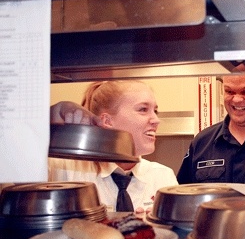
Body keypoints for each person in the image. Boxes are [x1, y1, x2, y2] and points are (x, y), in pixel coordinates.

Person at [49, 80, 178, 214]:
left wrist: (160, 223)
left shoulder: (163, 177)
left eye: (155, 110)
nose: (156, 120)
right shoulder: (63, 169)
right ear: (107, 121)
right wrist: (46, 119)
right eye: (143, 109)